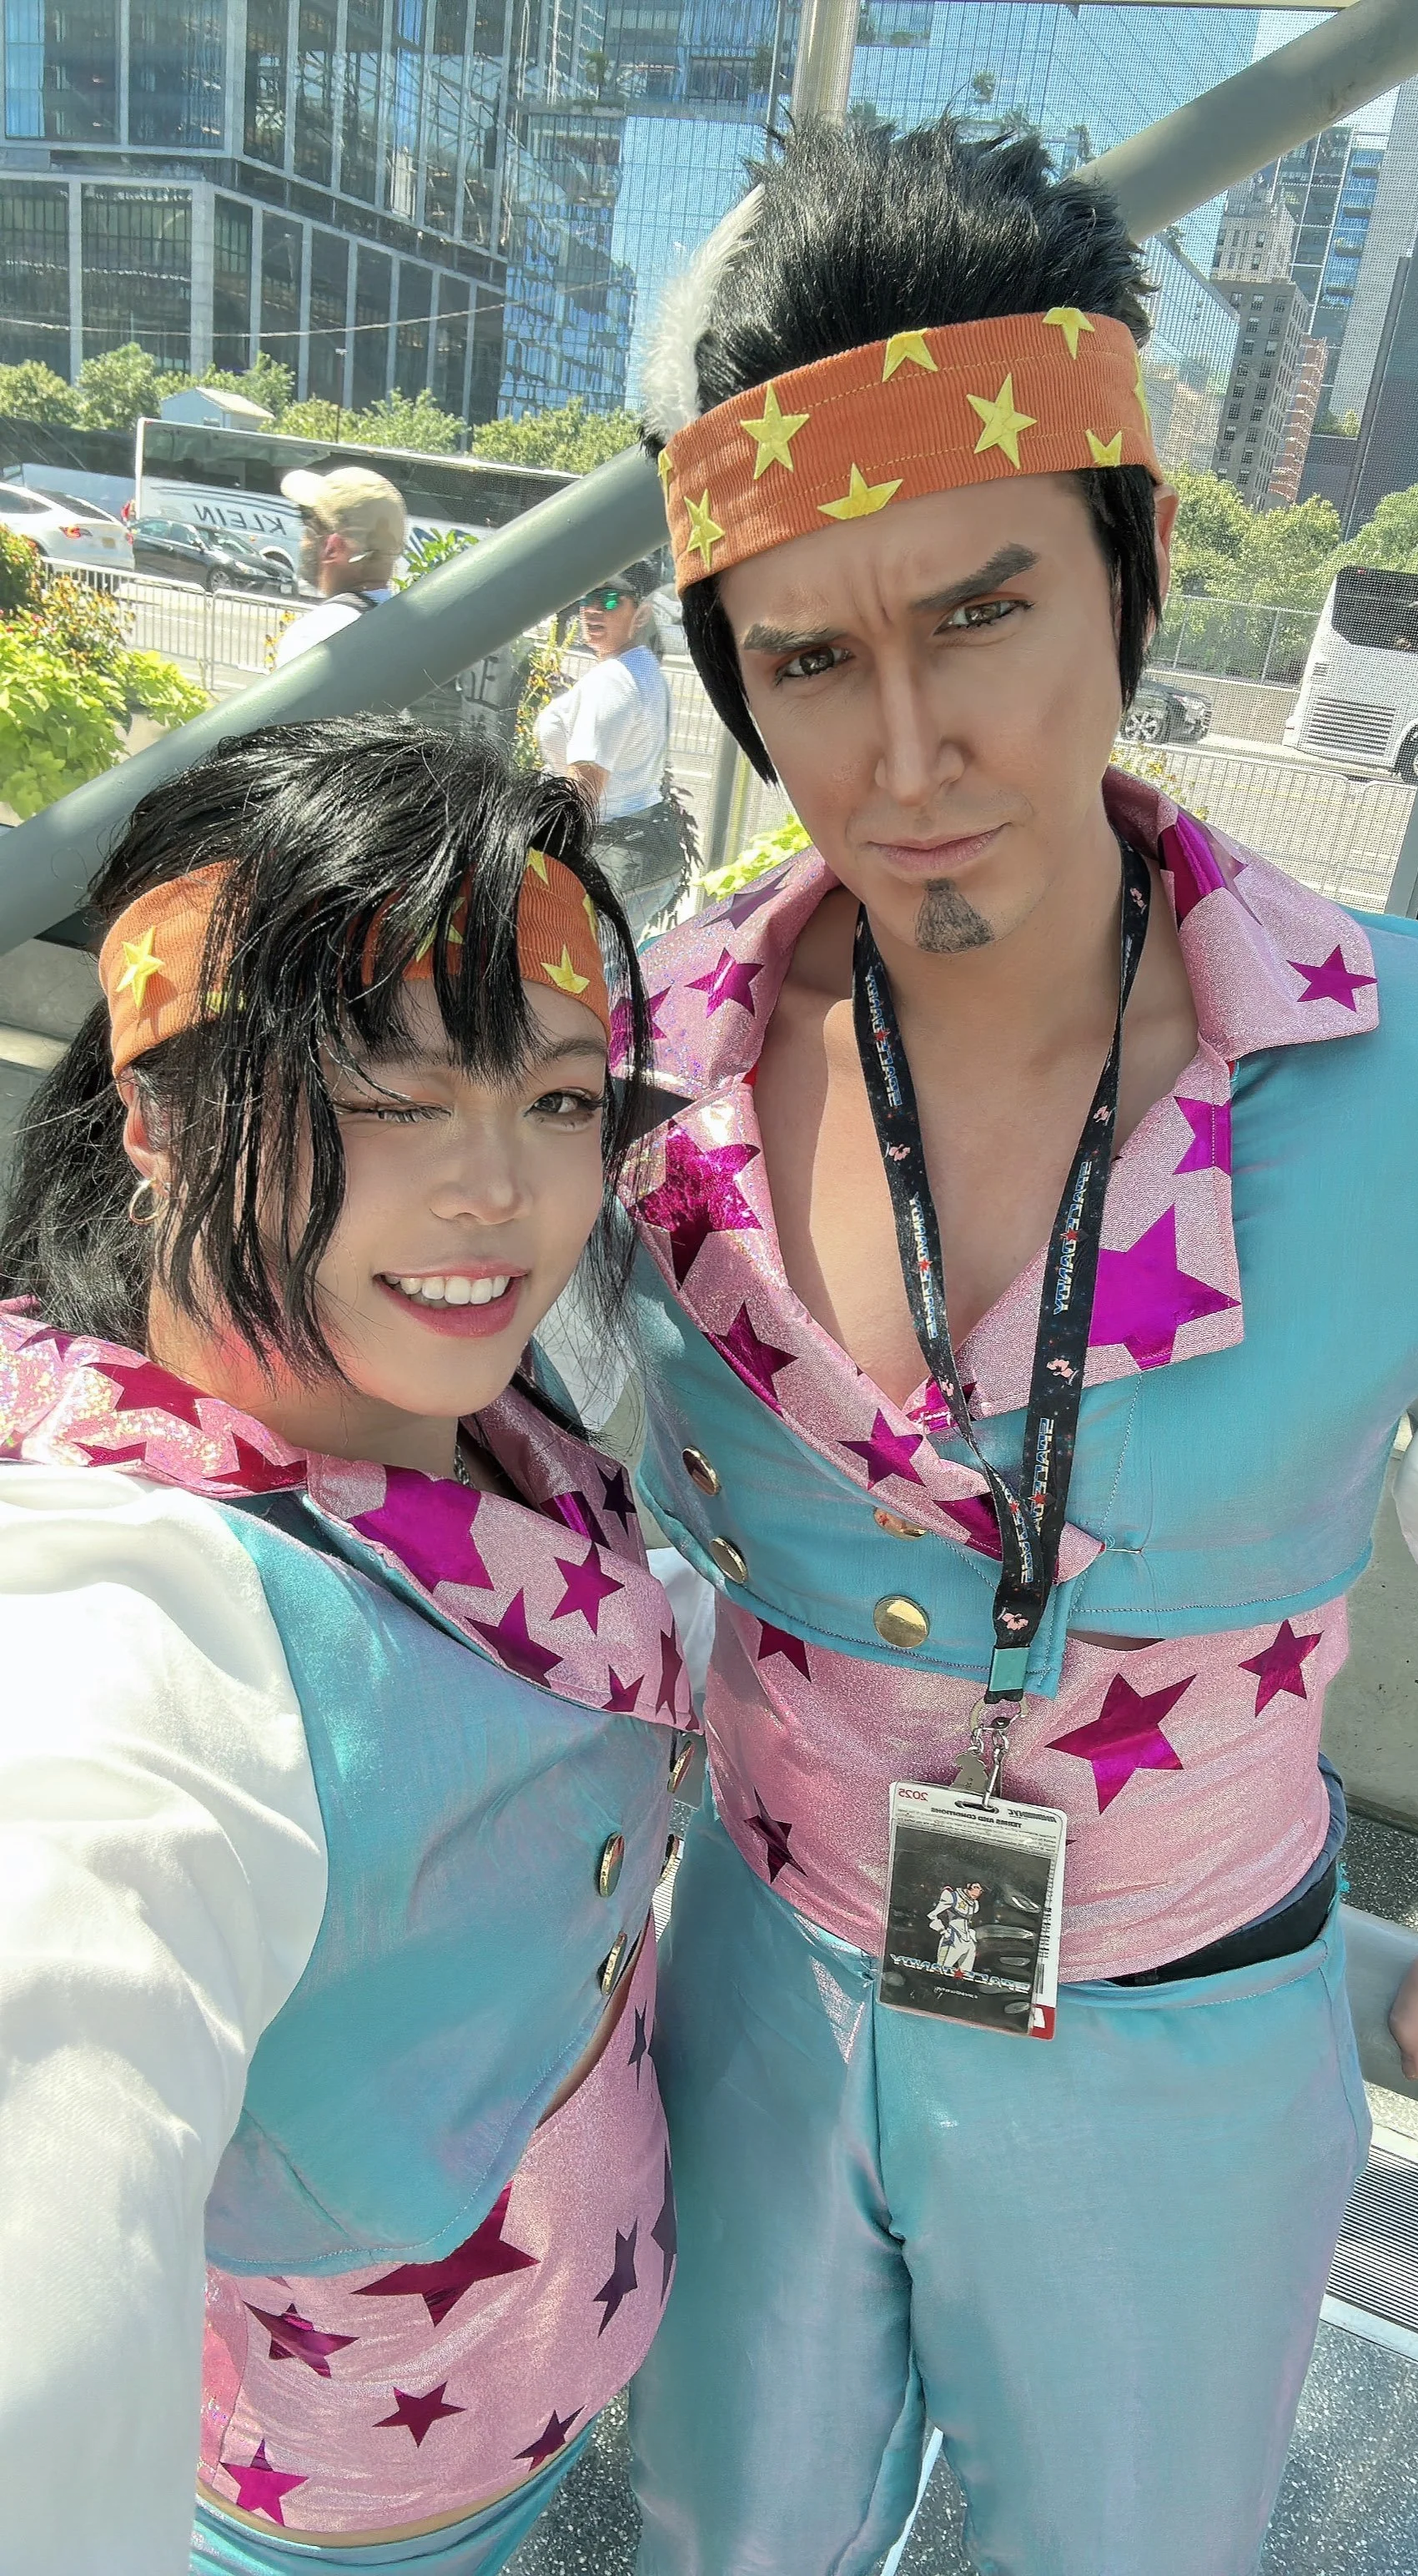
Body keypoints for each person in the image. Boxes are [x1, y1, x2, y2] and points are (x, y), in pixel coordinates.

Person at [618, 118, 1418, 2575]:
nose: (905, 756)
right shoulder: (622, 1070)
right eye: (806, 660)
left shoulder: (1408, 1064)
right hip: (750, 1994)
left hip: (1181, 2039)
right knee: (724, 2532)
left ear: (1134, 562)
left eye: (979, 612)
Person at [0, 716, 696, 2573]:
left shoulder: (462, 1401)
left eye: (560, 1099)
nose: (502, 1189)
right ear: (152, 1112)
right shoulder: (123, 1607)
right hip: (317, 2517)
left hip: (533, 2393)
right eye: (389, 1091)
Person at [534, 563, 689, 939]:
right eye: (587, 598)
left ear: (642, 614)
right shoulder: (644, 667)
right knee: (612, 965)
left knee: (577, 966)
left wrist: (552, 856)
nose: (592, 609)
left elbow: (585, 786)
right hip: (645, 845)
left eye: (608, 600)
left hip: (613, 853)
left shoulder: (611, 681)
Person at [273, 466, 408, 665]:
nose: (303, 540)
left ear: (333, 547)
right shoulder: (407, 628)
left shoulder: (314, 637)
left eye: (307, 526)